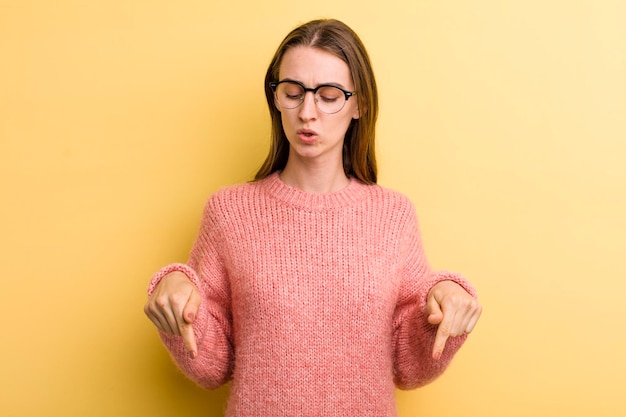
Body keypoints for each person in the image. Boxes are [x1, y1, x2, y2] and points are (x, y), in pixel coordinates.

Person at [144, 18, 482, 417]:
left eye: (328, 95)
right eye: (293, 92)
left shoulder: (393, 215)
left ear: (360, 105)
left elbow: (408, 365)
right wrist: (176, 297)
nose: (307, 112)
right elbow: (213, 366)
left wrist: (447, 305)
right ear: (275, 97)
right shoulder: (228, 212)